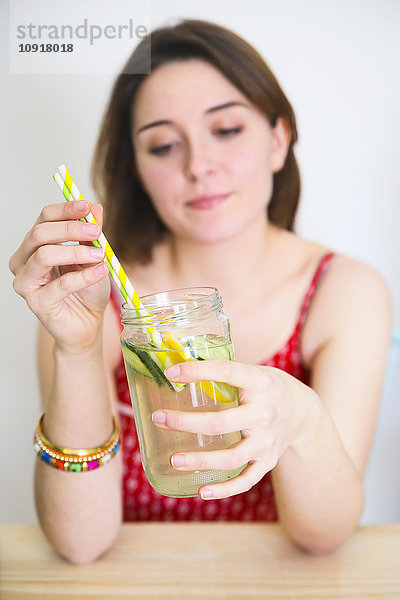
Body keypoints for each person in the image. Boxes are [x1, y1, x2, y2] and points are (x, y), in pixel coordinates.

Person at [9, 19, 392, 564]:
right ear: (137, 169)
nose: (199, 166)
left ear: (278, 140)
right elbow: (80, 542)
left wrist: (301, 418)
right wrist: (77, 349)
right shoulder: (91, 294)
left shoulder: (344, 291)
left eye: (227, 130)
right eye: (163, 145)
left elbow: (323, 536)